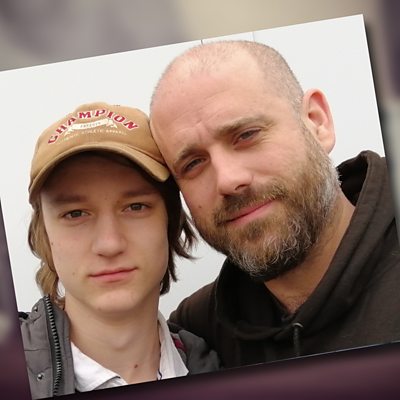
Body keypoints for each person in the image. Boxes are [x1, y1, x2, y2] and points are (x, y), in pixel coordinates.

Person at [149, 40, 400, 368]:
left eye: (246, 135)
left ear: (317, 122)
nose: (228, 180)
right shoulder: (196, 335)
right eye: (193, 163)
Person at [19, 102, 219, 399]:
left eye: (135, 207)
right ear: (45, 234)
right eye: (75, 214)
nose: (109, 244)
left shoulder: (224, 363)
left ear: (170, 221)